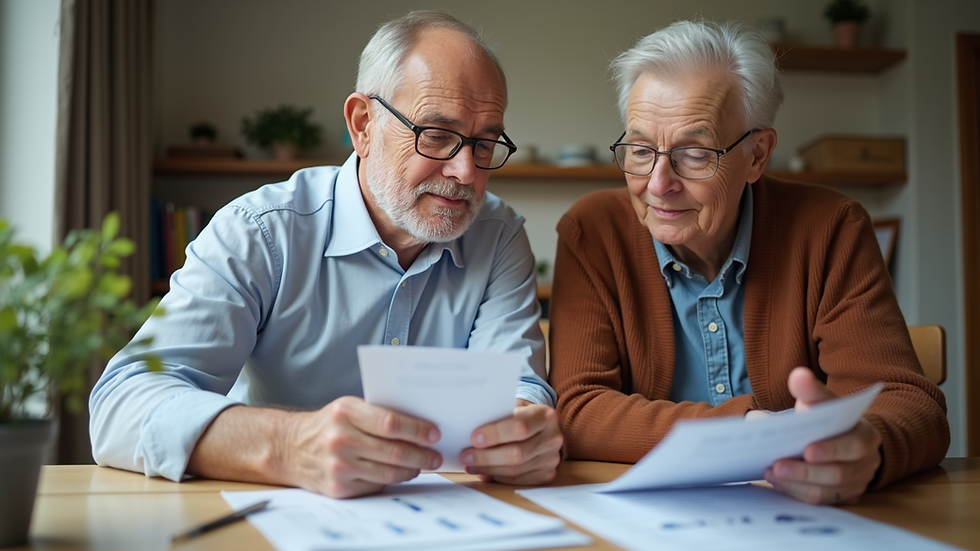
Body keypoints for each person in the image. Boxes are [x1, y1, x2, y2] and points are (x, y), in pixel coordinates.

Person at [90, 11, 562, 499]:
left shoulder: (499, 236)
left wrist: (525, 430)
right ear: (363, 124)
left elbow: (517, 390)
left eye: (484, 144)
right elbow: (120, 405)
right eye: (437, 136)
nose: (466, 171)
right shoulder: (259, 233)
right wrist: (289, 444)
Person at [548, 19, 949, 505]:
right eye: (639, 150)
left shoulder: (831, 226)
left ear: (757, 155)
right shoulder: (593, 231)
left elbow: (911, 404)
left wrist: (868, 448)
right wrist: (747, 429)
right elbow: (578, 408)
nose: (658, 183)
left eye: (694, 154)